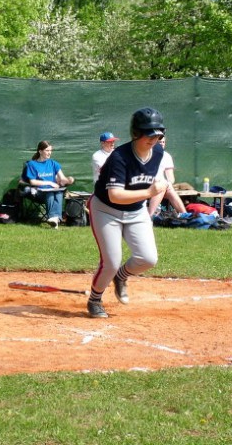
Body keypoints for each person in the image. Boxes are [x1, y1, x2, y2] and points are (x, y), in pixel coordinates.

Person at [86, 107, 169, 318]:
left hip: (136, 210)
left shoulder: (158, 152)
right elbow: (115, 195)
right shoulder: (119, 157)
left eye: (158, 134)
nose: (154, 139)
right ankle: (95, 300)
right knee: (111, 262)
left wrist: (156, 190)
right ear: (136, 134)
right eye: (148, 134)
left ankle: (121, 277)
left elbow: (155, 179)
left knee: (148, 258)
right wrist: (149, 192)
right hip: (106, 210)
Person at [22, 141, 75, 228]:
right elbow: (33, 182)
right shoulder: (32, 164)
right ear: (40, 151)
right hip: (38, 193)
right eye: (47, 150)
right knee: (50, 193)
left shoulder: (53, 163)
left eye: (51, 150)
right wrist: (50, 182)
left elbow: (62, 179)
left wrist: (68, 180)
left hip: (53, 191)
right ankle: (54, 218)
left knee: (58, 192)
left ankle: (54, 220)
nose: (49, 152)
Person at [147, 136, 187, 216]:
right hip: (146, 182)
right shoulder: (147, 153)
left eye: (163, 142)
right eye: (159, 142)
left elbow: (171, 178)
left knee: (167, 187)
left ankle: (185, 215)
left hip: (161, 184)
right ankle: (149, 216)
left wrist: (168, 183)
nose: (161, 144)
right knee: (163, 186)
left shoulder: (167, 156)